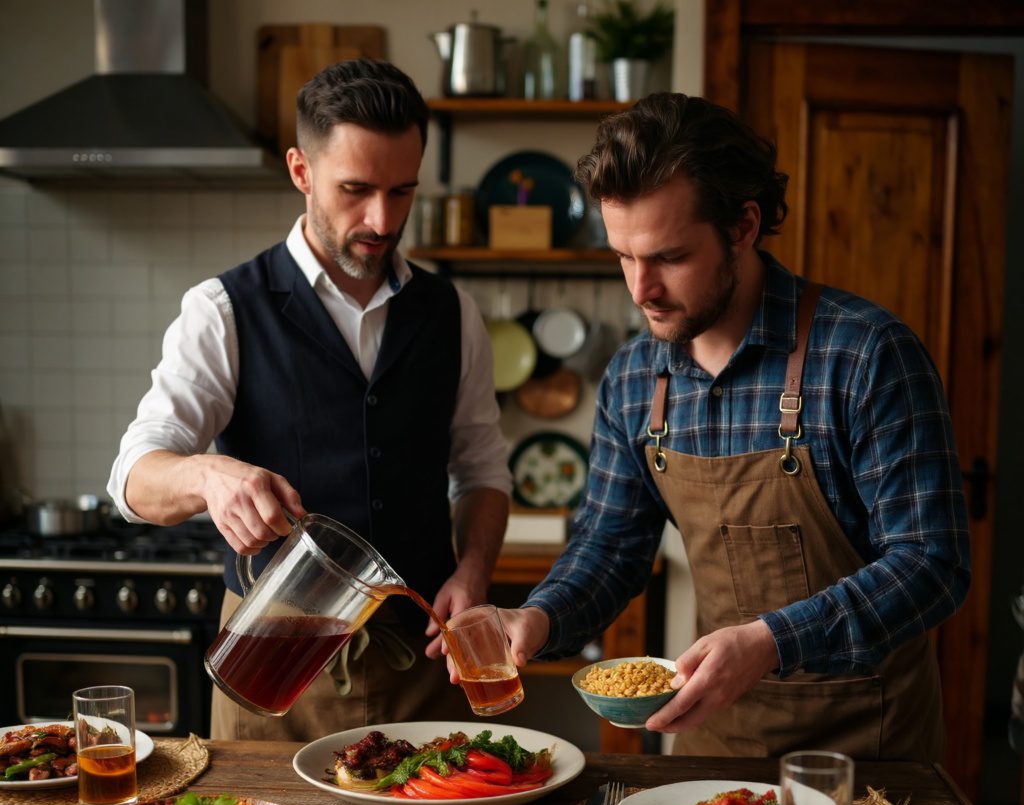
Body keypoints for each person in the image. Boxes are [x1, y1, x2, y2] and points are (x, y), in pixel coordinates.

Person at [496, 92, 970, 759]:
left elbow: (932, 565)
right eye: (624, 258)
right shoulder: (634, 378)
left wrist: (771, 641)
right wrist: (539, 616)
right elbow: (608, 547)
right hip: (714, 741)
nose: (640, 290)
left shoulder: (866, 353)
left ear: (743, 227)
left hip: (869, 750)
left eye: (667, 257)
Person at [108, 59, 511, 740]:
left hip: (423, 668)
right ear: (301, 171)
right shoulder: (222, 310)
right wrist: (208, 474)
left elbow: (481, 471)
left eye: (402, 190)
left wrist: (473, 571)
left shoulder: (454, 313)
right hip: (275, 669)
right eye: (355, 190)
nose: (382, 219)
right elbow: (131, 477)